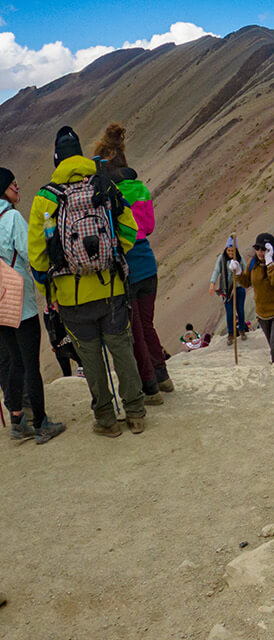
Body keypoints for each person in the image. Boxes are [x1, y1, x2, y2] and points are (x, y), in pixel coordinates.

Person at [28, 126, 146, 437]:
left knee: (91, 359)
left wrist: (49, 291)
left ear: (57, 159)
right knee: (122, 349)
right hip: (111, 287)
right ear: (80, 154)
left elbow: (37, 257)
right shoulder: (103, 184)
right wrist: (111, 255)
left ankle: (106, 420)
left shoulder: (44, 198)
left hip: (71, 297)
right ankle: (135, 413)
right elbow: (130, 231)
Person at [93, 124, 173, 403]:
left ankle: (150, 388)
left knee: (134, 331)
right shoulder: (140, 188)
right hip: (148, 265)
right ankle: (163, 377)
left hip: (126, 270)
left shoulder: (107, 193)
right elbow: (148, 227)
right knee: (148, 326)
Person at [2, 166, 66, 444]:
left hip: (0, 305)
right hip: (21, 302)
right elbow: (31, 253)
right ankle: (41, 424)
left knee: (14, 360)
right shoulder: (12, 218)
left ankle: (17, 420)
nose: (17, 187)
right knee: (30, 362)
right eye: (12, 184)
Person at [234, 233, 274, 362]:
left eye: (263, 249)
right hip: (262, 314)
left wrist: (269, 262)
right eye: (257, 248)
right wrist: (238, 272)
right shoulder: (253, 263)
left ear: (270, 249)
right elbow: (246, 282)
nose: (260, 252)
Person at [210, 239, 248, 339]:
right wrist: (212, 283)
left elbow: (246, 270)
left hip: (239, 288)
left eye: (233, 251)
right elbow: (216, 270)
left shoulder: (240, 258)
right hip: (226, 290)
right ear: (226, 250)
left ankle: (242, 330)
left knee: (240, 311)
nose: (231, 253)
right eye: (229, 251)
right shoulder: (221, 259)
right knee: (230, 313)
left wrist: (239, 272)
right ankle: (231, 333)